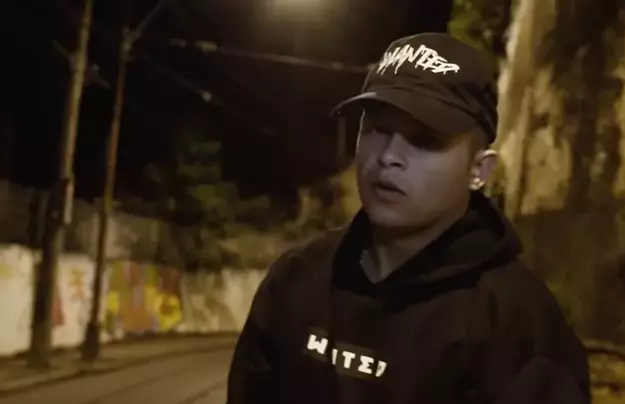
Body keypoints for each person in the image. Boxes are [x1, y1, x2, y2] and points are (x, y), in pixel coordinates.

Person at [227, 32, 590, 404]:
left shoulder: (518, 325)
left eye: (425, 140)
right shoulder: (295, 282)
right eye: (377, 129)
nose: (388, 156)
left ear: (478, 170)